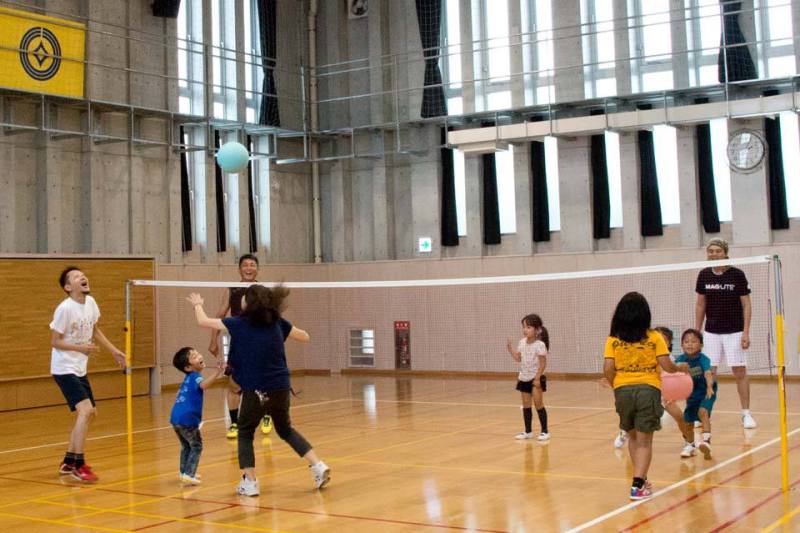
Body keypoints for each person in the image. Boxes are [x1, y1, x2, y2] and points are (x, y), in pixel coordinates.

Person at [188, 285, 330, 495]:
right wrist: (285, 328)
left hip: (257, 389)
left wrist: (198, 305)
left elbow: (203, 321)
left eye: (244, 298)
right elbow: (305, 337)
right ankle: (318, 465)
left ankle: (250, 481)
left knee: (244, 431)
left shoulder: (238, 323)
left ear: (249, 303)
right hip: (281, 386)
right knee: (285, 429)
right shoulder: (277, 323)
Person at [604, 292, 688, 500]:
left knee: (633, 437)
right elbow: (666, 365)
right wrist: (680, 367)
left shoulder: (613, 339)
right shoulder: (654, 337)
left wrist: (617, 386)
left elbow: (608, 368)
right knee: (644, 441)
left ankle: (640, 479)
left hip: (622, 390)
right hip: (647, 389)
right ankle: (637, 485)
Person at [51, 266, 126, 482]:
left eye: (83, 274)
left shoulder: (90, 303)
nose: (82, 276)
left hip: (79, 367)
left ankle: (68, 461)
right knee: (85, 410)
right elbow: (55, 341)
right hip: (64, 367)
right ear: (68, 287)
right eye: (76, 276)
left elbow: (94, 329)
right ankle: (79, 464)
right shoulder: (65, 309)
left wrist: (114, 350)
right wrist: (80, 349)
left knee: (91, 413)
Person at [209, 254, 273, 439]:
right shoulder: (232, 290)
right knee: (233, 386)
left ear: (257, 269)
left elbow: (272, 317)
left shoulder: (263, 291)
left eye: (252, 265)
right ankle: (235, 424)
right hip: (238, 345)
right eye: (245, 265)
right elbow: (220, 315)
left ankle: (266, 416)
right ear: (239, 269)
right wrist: (213, 339)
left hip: (261, 344)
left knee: (264, 384)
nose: (249, 268)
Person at [695, 238, 756, 429]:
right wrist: (697, 332)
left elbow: (746, 304)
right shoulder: (704, 274)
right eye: (710, 251)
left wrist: (746, 332)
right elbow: (700, 304)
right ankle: (704, 413)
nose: (713, 254)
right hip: (712, 332)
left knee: (739, 371)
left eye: (717, 251)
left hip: (735, 331)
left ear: (725, 252)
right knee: (708, 372)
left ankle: (746, 413)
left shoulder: (737, 275)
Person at [613, 326, 685, 450]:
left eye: (664, 340)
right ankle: (625, 432)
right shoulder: (642, 355)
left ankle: (688, 441)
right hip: (646, 392)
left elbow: (676, 379)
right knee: (633, 416)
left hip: (664, 395)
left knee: (680, 417)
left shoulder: (670, 359)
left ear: (668, 344)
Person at [170, 347, 225, 485]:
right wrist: (217, 372)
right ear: (188, 367)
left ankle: (184, 472)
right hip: (187, 419)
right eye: (194, 357)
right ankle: (189, 474)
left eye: (197, 353)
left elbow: (178, 394)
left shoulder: (187, 378)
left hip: (176, 418)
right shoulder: (195, 376)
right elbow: (204, 385)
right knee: (196, 446)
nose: (199, 356)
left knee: (186, 446)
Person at [506, 314, 550, 442]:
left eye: (528, 327)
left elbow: (543, 363)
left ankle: (545, 431)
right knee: (526, 405)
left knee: (538, 404)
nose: (525, 330)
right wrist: (510, 350)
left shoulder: (539, 345)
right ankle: (528, 431)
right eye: (524, 327)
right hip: (524, 378)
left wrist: (537, 378)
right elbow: (518, 358)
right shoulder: (521, 343)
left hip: (535, 379)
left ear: (537, 329)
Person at [675, 329, 716, 460]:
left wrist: (709, 386)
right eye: (686, 341)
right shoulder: (680, 360)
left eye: (694, 341)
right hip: (691, 393)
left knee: (703, 412)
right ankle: (690, 445)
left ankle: (706, 441)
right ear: (681, 345)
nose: (690, 344)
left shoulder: (703, 359)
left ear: (701, 345)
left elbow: (708, 373)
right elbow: (674, 376)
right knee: (688, 421)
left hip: (706, 391)